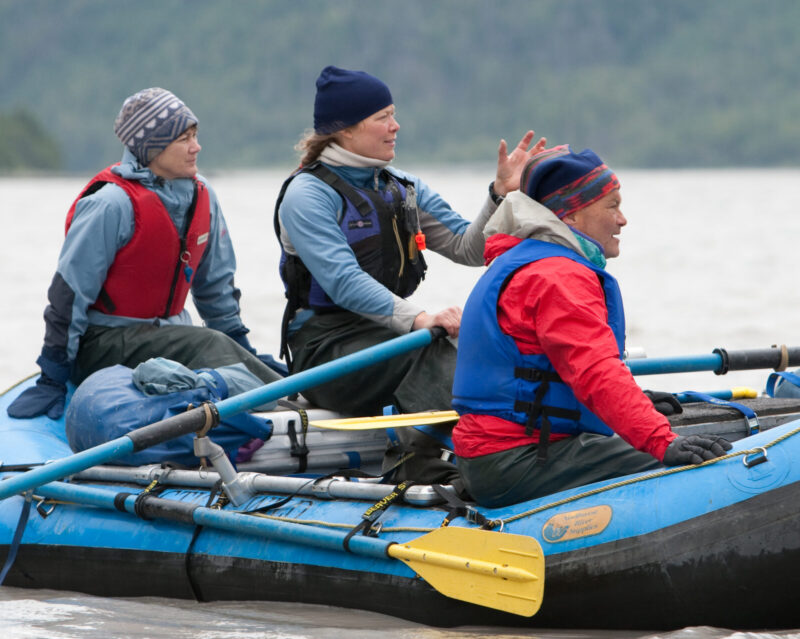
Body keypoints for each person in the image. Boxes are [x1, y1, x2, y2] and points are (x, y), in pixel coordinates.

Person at [274, 65, 545, 482]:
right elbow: (343, 281)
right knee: (430, 347)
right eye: (382, 117)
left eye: (393, 114)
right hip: (325, 351)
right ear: (344, 129)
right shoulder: (307, 195)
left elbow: (468, 248)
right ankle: (422, 462)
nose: (396, 126)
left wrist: (499, 197)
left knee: (488, 338)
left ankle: (526, 432)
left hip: (387, 336)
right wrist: (421, 320)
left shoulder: (403, 188)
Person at [451, 145, 731, 507]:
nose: (622, 219)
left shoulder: (532, 260)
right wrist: (663, 441)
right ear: (570, 217)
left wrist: (635, 404)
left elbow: (558, 371)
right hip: (516, 459)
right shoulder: (557, 276)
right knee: (702, 468)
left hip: (499, 452)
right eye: (611, 205)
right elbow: (595, 371)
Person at [8, 87, 283, 421]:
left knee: (215, 346)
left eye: (195, 135)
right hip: (103, 344)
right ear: (151, 148)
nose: (197, 147)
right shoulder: (110, 205)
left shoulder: (203, 195)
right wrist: (53, 376)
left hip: (168, 336)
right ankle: (289, 400)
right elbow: (69, 297)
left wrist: (242, 350)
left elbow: (217, 289)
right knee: (208, 345)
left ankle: (283, 391)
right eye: (184, 139)